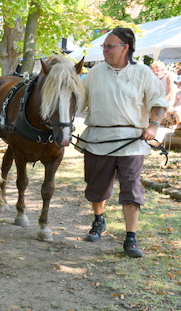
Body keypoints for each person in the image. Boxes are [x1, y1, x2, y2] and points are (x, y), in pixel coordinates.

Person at [75, 27, 168, 258]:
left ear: (125, 47)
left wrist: (153, 125)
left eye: (109, 46)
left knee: (131, 188)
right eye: (104, 46)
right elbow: (78, 102)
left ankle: (131, 238)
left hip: (132, 142)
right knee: (96, 188)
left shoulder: (143, 73)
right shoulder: (94, 74)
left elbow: (158, 103)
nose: (104, 50)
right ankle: (99, 221)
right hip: (97, 139)